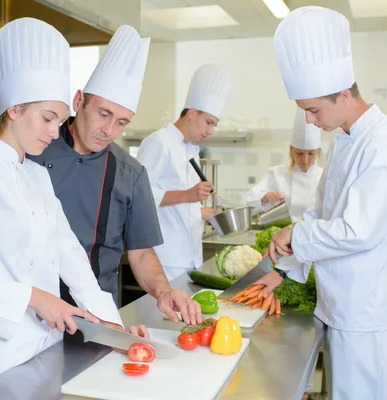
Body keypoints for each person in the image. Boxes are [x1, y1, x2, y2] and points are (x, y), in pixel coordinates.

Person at [0, 18, 145, 387]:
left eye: (59, 121)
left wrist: (113, 328)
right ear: (13, 109)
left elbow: (71, 257)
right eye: (46, 118)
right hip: (1, 359)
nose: (54, 132)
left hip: (47, 350)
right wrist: (33, 298)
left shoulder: (36, 175)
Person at [258, 7, 387, 399]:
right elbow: (322, 215)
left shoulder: (386, 142)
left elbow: (357, 230)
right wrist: (284, 268)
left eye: (314, 110)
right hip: (343, 304)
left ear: (343, 94)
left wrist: (295, 235)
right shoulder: (346, 141)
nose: (311, 121)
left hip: (366, 311)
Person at [29, 25, 202, 325]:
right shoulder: (34, 147)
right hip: (29, 311)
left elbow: (141, 251)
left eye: (121, 122)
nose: (108, 130)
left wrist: (162, 291)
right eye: (103, 114)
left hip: (95, 315)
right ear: (79, 100)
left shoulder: (131, 174)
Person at [242, 107, 322, 400]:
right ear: (291, 150)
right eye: (300, 153)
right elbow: (246, 200)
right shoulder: (276, 174)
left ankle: (302, 389)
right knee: (274, 332)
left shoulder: (324, 178)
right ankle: (276, 385)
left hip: (311, 263)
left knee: (303, 331)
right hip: (277, 256)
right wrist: (263, 198)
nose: (305, 160)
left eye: (311, 154)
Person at [137, 64, 232, 281]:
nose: (211, 131)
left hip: (190, 256)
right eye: (208, 122)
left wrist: (207, 213)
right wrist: (188, 195)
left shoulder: (190, 149)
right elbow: (139, 195)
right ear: (191, 113)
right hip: (166, 258)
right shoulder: (159, 141)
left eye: (215, 125)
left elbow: (180, 206)